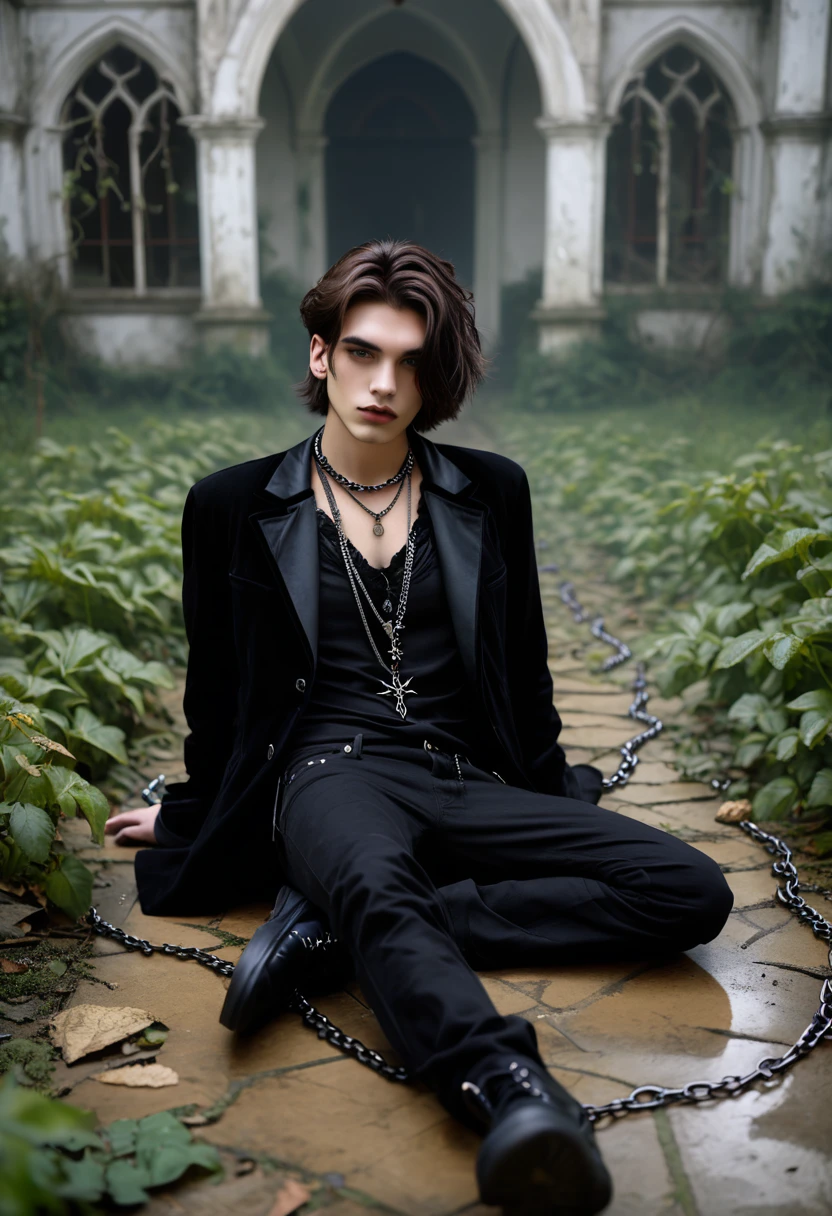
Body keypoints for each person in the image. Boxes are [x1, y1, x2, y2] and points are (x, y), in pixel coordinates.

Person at [105, 239, 733, 1216]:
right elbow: (218, 695)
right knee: (375, 881)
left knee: (687, 889)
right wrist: (192, 815)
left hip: (462, 772)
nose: (383, 382)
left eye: (409, 361)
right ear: (321, 355)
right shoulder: (232, 504)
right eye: (362, 352)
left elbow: (522, 670)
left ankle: (339, 932)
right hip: (328, 772)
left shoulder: (488, 491)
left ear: (436, 374)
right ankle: (509, 1091)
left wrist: (541, 787)